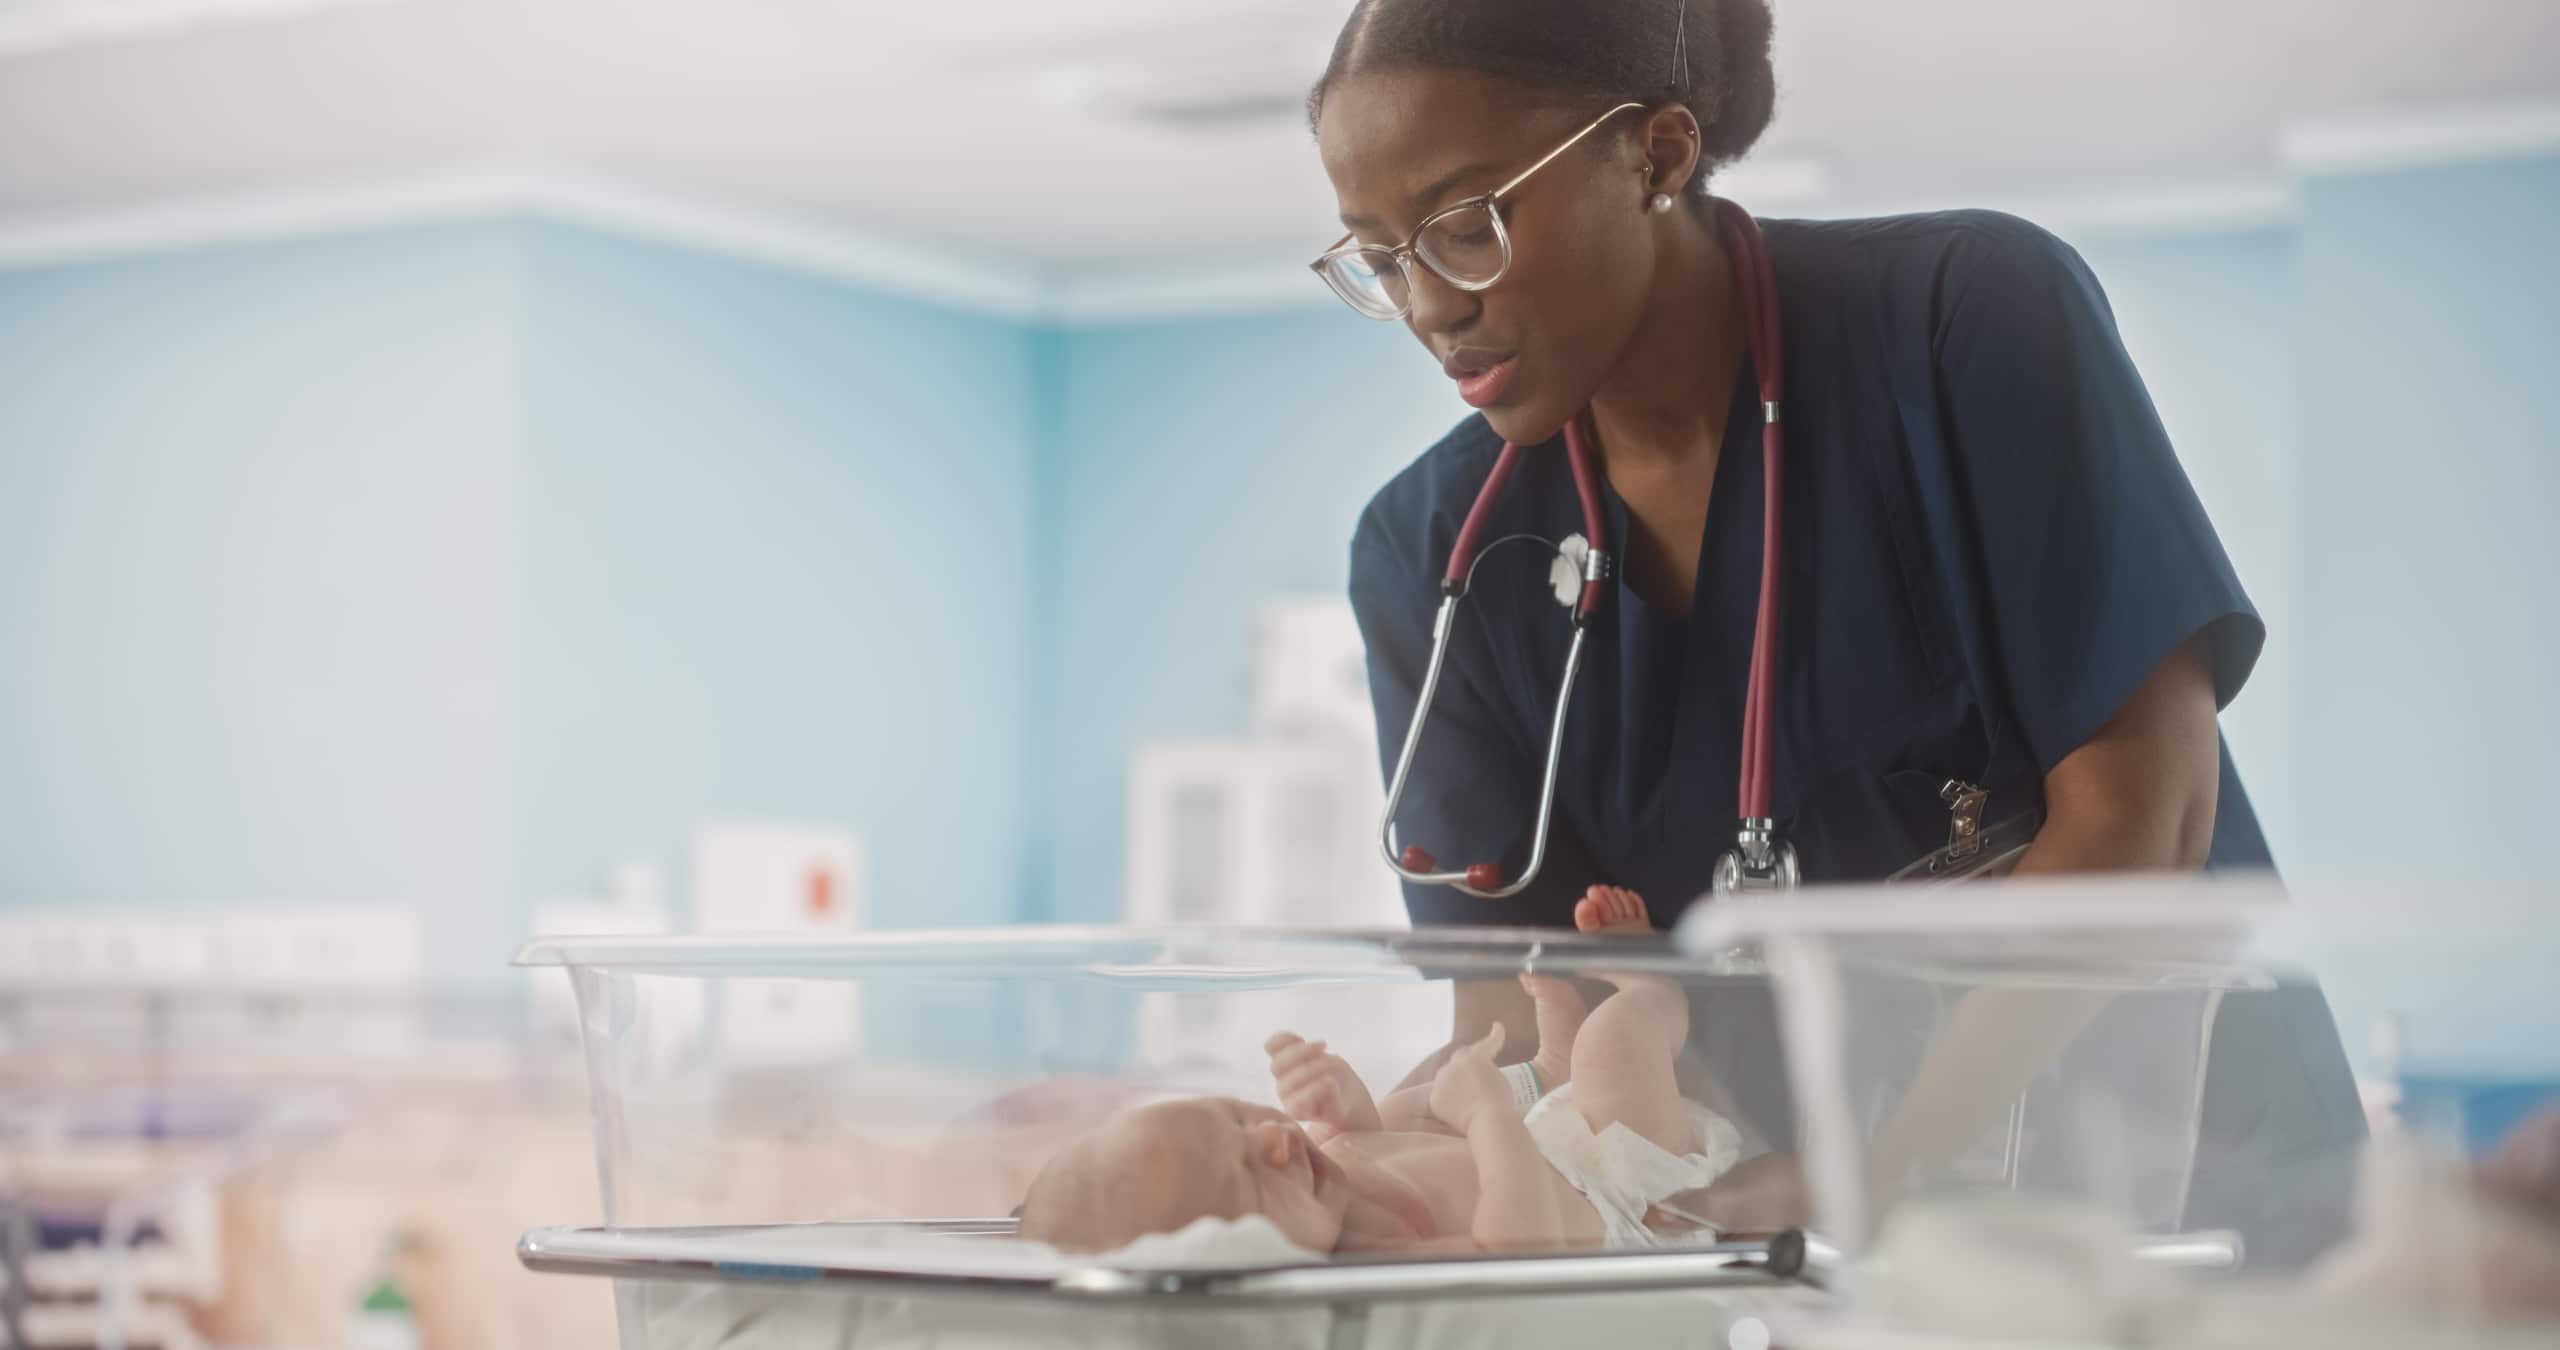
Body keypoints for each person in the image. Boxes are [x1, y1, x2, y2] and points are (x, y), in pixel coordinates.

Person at [1312, 0, 2364, 1264]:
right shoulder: (1430, 552)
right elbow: (1515, 1004)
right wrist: (1368, 1158)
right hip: (1781, 1240)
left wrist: (1874, 1172)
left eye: (1468, 224)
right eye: (1379, 256)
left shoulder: (1962, 318)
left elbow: (2143, 815)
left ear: (1653, 154)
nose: (1429, 304)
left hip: (2181, 1205)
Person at [1017, 892, 1743, 1254]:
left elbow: (1398, 1147)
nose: (1273, 1141)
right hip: (1623, 1204)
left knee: (1408, 1111)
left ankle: (1547, 1069)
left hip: (1553, 1146)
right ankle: (1652, 989)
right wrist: (1488, 1117)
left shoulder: (1321, 1175)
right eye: (1248, 1177)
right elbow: (1520, 1244)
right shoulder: (1372, 1260)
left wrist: (1349, 1108)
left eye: (1236, 1118)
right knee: (1611, 1049)